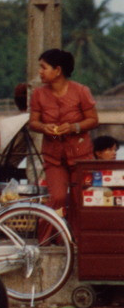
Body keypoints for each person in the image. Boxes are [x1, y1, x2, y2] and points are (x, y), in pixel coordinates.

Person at [29, 48, 98, 213]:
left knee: (80, 198)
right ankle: (49, 238)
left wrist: (74, 127)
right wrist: (45, 127)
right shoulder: (38, 94)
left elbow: (93, 120)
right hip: (53, 157)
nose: (40, 72)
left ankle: (78, 238)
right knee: (57, 197)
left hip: (80, 156)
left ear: (58, 70)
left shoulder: (81, 91)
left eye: (43, 67)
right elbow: (33, 123)